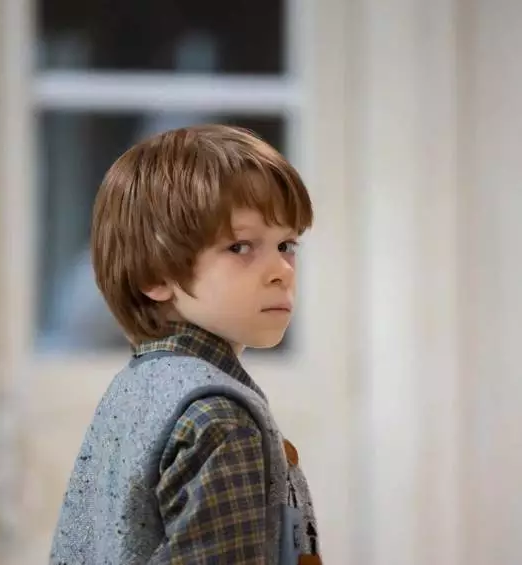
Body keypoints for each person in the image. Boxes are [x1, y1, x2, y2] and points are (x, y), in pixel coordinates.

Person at [50, 124, 321, 564]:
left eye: (286, 244)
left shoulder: (134, 388)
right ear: (154, 275)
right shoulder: (220, 419)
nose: (282, 271)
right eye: (241, 247)